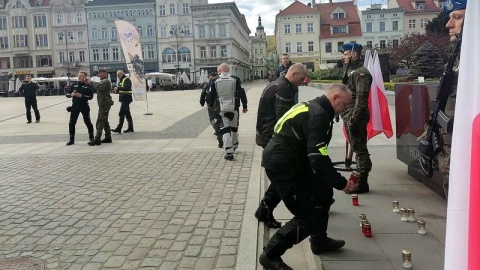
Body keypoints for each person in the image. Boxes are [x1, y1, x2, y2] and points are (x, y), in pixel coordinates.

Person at [259, 84, 355, 270]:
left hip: (295, 159)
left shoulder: (315, 106)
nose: (345, 109)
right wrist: (341, 183)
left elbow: (317, 152)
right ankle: (270, 255)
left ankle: (319, 241)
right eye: (345, 104)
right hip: (283, 166)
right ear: (335, 98)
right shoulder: (318, 114)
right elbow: (318, 158)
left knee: (323, 194)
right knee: (306, 216)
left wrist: (328, 181)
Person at [254, 63, 307, 229]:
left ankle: (264, 210)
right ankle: (264, 210)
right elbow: (284, 118)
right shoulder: (283, 88)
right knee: (282, 178)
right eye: (301, 78)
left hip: (268, 135)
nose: (303, 81)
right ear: (293, 74)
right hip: (273, 137)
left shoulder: (280, 84)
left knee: (280, 177)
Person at [438, 0, 466, 198]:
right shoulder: (459, 56)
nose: (449, 25)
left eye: (457, 18)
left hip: (466, 147)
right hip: (452, 141)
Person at [340, 42, 373, 194]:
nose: (343, 57)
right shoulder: (350, 71)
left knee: (360, 150)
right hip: (349, 114)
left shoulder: (361, 73)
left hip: (356, 115)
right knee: (357, 146)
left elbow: (361, 98)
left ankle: (362, 181)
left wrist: (354, 118)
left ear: (354, 54)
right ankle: (360, 176)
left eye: (345, 54)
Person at [207, 63, 248, 161]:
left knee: (224, 128)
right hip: (234, 106)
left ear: (220, 70)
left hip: (221, 107)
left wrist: (211, 105)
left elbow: (210, 95)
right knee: (234, 127)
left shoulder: (214, 80)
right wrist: (245, 106)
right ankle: (234, 145)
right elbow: (242, 93)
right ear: (228, 70)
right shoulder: (235, 79)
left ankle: (229, 152)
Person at [65, 71, 95, 146]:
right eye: (79, 76)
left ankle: (91, 137)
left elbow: (90, 96)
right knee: (72, 122)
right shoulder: (74, 84)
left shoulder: (87, 85)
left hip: (84, 106)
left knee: (87, 121)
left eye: (81, 76)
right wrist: (71, 94)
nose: (79, 77)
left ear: (85, 77)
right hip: (75, 106)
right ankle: (71, 139)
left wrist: (81, 96)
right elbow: (67, 94)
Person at [86, 69, 114, 146]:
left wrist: (90, 82)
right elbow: (95, 89)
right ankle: (108, 137)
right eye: (99, 74)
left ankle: (97, 139)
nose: (99, 75)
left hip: (105, 104)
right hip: (103, 104)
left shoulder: (106, 81)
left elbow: (98, 87)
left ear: (105, 74)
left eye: (101, 73)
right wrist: (88, 84)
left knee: (100, 121)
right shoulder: (102, 81)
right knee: (104, 121)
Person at [200, 72, 223, 148]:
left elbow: (203, 93)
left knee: (212, 118)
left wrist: (202, 102)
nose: (208, 78)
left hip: (212, 104)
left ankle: (218, 130)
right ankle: (220, 129)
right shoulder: (220, 81)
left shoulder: (208, 83)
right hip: (221, 103)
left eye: (209, 76)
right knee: (220, 118)